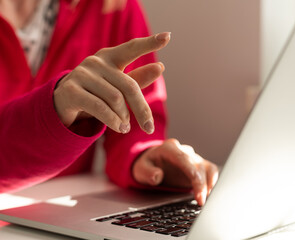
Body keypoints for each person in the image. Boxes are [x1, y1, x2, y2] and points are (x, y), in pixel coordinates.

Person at [0, 0, 218, 206]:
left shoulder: (112, 5)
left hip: (62, 217)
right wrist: (53, 109)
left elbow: (134, 118)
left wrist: (144, 156)